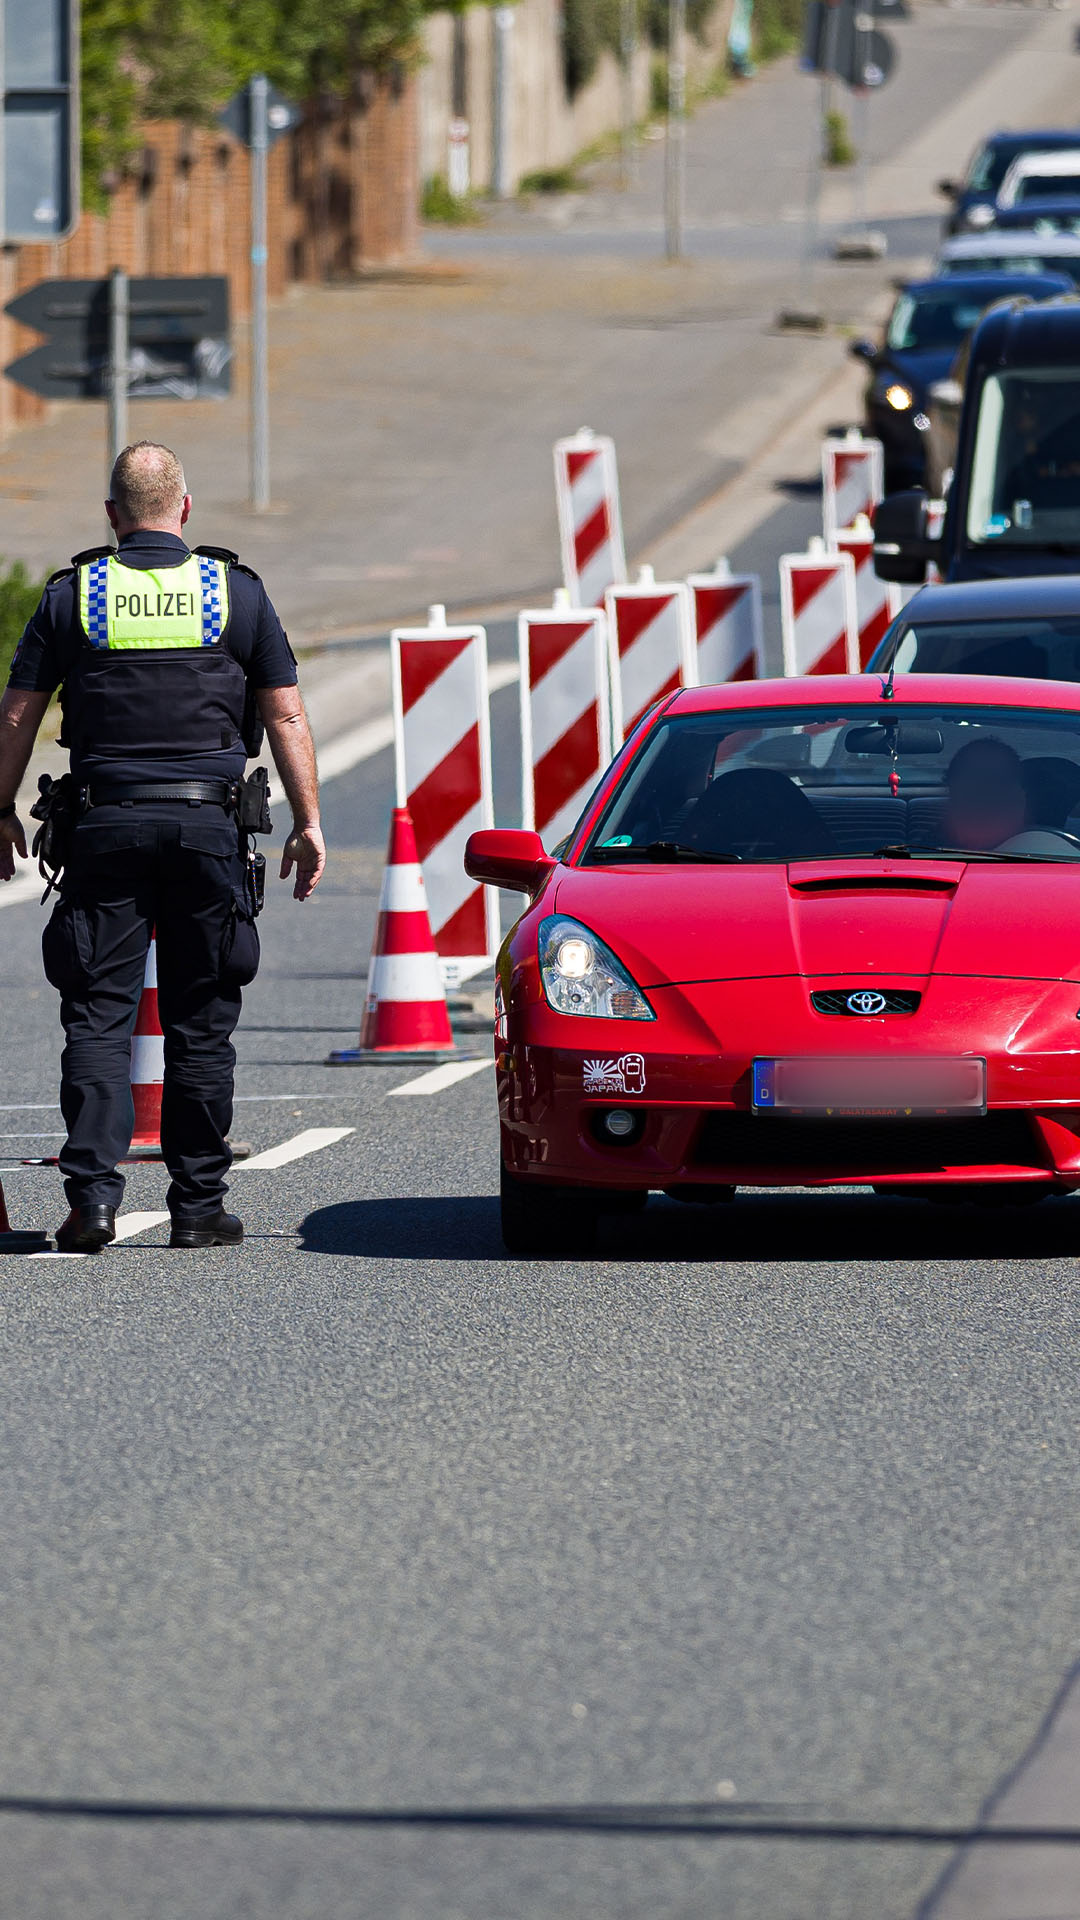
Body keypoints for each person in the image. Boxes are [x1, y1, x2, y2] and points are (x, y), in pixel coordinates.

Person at [0, 441, 325, 1253]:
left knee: (98, 1019)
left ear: (112, 515)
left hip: (103, 831)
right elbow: (284, 714)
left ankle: (95, 1202)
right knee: (199, 1022)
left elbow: (19, 714)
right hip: (209, 833)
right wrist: (308, 822)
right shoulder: (233, 593)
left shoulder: (75, 595)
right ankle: (197, 1206)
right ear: (184, 510)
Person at [943, 737, 1027, 850]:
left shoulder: (1045, 846)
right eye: (975, 777)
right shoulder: (922, 851)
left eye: (996, 779)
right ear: (952, 785)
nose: (985, 787)